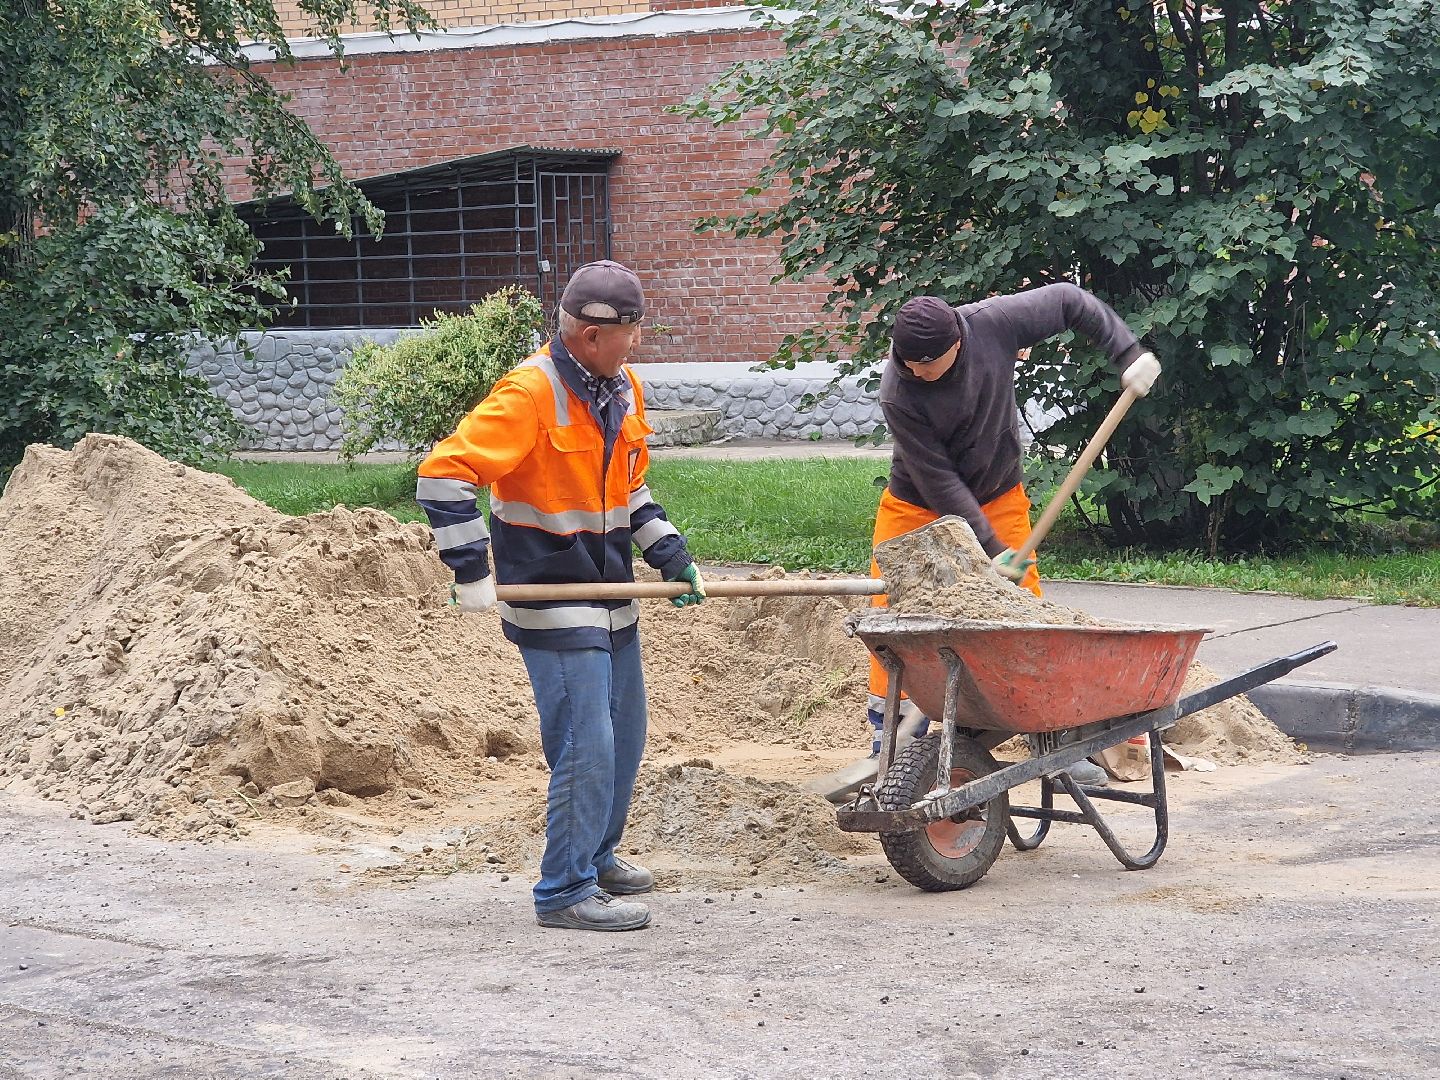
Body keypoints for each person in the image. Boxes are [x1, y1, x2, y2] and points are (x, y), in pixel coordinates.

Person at [415, 260, 705, 932]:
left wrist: (668, 554)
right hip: (552, 589)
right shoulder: (528, 395)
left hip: (610, 592)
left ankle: (597, 856)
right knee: (588, 742)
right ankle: (564, 889)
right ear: (586, 332)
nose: (638, 343)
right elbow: (442, 477)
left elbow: (630, 490)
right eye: (629, 331)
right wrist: (471, 572)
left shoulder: (621, 387)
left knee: (624, 738)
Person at [866, 283, 1162, 786]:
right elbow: (938, 478)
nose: (912, 372)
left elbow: (1071, 301)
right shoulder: (899, 388)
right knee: (892, 626)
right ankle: (891, 741)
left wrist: (1127, 351)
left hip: (998, 496)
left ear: (955, 344)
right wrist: (992, 550)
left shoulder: (993, 323)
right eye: (904, 362)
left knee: (1026, 620)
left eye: (923, 364)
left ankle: (1051, 744)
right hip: (915, 507)